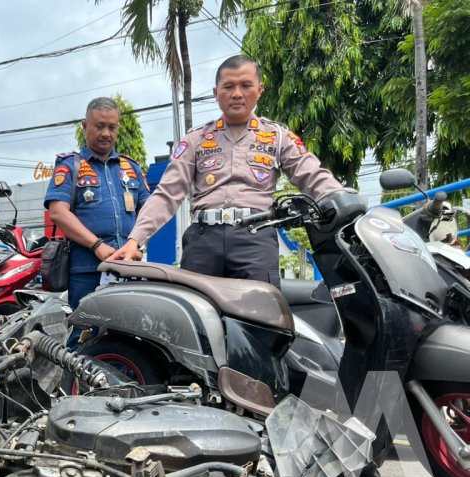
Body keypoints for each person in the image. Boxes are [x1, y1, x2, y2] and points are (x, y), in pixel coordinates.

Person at [111, 55, 343, 286]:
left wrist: (343, 200)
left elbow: (311, 174)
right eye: (229, 86)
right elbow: (167, 193)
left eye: (246, 85)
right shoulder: (196, 139)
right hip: (203, 240)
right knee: (196, 316)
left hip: (255, 239)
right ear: (216, 92)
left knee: (260, 316)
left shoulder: (277, 136)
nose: (237, 94)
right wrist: (135, 240)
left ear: (260, 90)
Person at [43, 97, 150, 345]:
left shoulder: (130, 167)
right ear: (85, 125)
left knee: (128, 339)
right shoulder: (70, 166)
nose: (106, 133)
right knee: (84, 338)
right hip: (87, 271)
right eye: (99, 126)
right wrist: (97, 246)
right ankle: (75, 385)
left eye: (112, 127)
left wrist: (137, 244)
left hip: (127, 269)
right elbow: (58, 212)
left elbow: (150, 210)